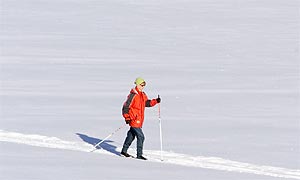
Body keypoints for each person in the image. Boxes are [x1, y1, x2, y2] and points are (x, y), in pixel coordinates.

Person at [121, 77, 161, 160]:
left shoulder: (142, 94)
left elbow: (147, 103)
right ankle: (139, 155)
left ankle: (124, 151)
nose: (143, 87)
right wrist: (127, 117)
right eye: (141, 85)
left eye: (144, 85)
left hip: (139, 119)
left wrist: (156, 101)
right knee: (141, 137)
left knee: (131, 136)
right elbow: (125, 107)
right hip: (134, 119)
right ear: (137, 84)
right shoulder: (133, 95)